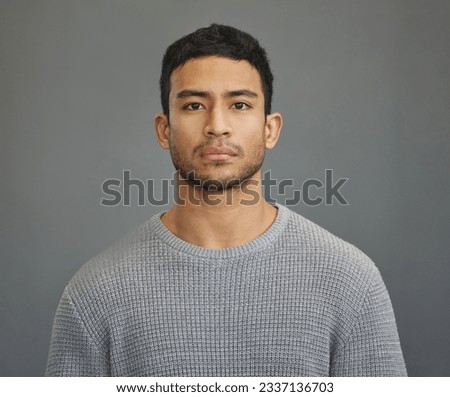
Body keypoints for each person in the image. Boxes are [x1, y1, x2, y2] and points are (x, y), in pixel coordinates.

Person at [45, 24, 407, 376]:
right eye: (193, 106)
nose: (217, 125)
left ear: (270, 129)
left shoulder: (351, 282)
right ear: (163, 130)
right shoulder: (94, 294)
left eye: (239, 104)